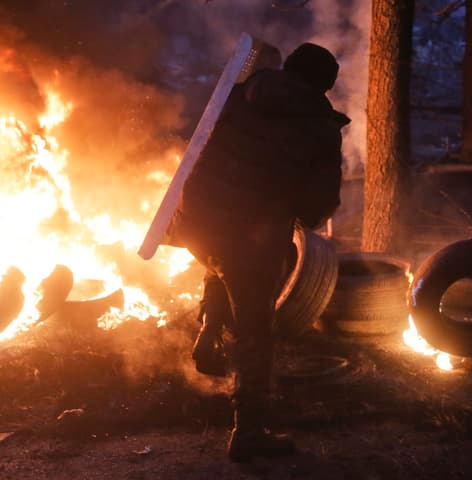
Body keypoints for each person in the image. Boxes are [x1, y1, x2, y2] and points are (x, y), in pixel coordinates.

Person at [167, 42, 350, 461]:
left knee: (218, 263)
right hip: (249, 235)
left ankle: (209, 333)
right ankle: (248, 431)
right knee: (255, 330)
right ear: (323, 87)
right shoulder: (320, 129)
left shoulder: (239, 93)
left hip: (196, 221)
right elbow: (316, 209)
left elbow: (199, 145)